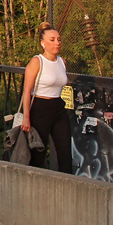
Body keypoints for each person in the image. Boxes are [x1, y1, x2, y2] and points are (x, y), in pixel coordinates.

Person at [21, 22, 73, 173]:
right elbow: (27, 90)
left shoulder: (62, 62)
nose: (57, 42)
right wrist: (26, 117)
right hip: (40, 107)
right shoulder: (37, 61)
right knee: (39, 151)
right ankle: (34, 184)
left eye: (58, 39)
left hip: (58, 107)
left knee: (65, 152)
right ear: (43, 43)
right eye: (52, 40)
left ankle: (67, 186)